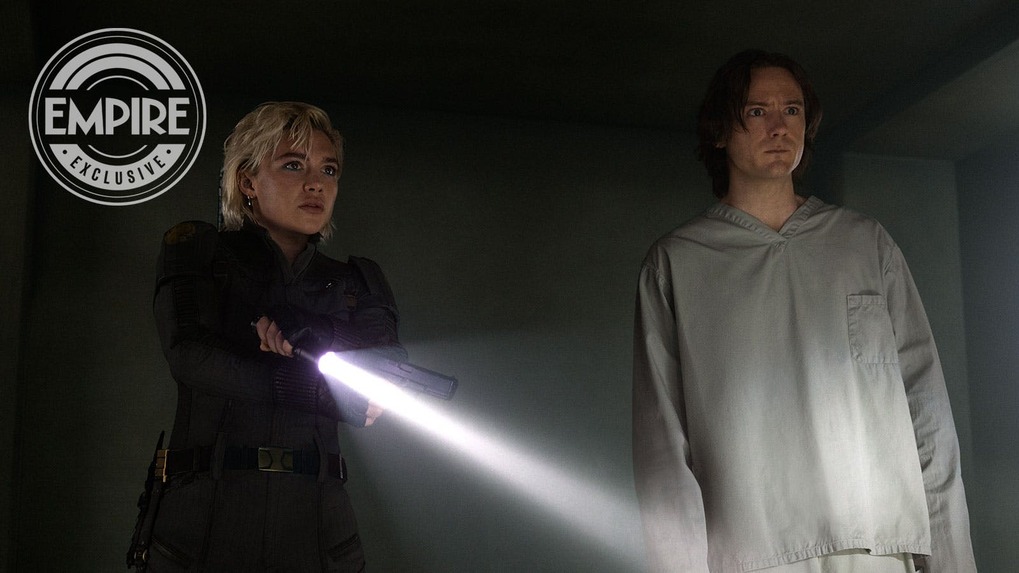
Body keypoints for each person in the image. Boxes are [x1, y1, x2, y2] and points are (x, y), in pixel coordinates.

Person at [631, 50, 976, 573]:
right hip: (753, 553)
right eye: (756, 111)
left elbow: (926, 410)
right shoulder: (678, 262)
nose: (779, 127)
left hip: (876, 544)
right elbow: (662, 449)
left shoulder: (865, 244)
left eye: (791, 110)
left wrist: (951, 562)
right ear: (720, 131)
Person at [131, 102, 404, 571]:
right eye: (293, 165)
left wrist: (321, 328)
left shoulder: (357, 281)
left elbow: (387, 371)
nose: (316, 183)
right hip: (203, 526)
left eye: (328, 169)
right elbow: (190, 354)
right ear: (248, 182)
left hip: (317, 530)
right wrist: (312, 390)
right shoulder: (199, 250)